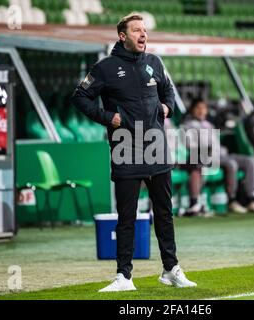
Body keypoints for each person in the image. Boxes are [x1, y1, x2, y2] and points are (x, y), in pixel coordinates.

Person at [71, 13, 196, 292]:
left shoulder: (154, 62)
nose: (143, 35)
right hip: (126, 147)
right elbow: (79, 97)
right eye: (137, 30)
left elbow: (169, 91)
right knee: (127, 216)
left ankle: (170, 269)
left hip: (156, 145)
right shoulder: (105, 68)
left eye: (145, 30)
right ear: (122, 36)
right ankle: (123, 277)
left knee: (164, 212)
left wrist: (167, 108)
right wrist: (108, 117)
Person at [181, 98, 254, 215]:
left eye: (204, 108)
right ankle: (232, 200)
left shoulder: (209, 125)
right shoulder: (187, 126)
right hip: (204, 157)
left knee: (250, 161)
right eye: (198, 108)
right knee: (231, 164)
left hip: (220, 155)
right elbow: (190, 145)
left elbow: (217, 145)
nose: (201, 111)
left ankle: (250, 198)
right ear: (192, 110)